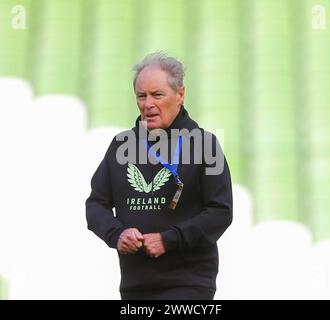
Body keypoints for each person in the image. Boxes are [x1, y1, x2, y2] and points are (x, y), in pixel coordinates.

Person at [85, 52, 233, 300]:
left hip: (189, 283)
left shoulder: (206, 144)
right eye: (141, 96)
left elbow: (221, 211)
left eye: (157, 95)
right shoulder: (122, 144)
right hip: (135, 285)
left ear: (180, 95)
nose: (147, 104)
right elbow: (96, 204)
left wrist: (170, 240)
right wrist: (117, 234)